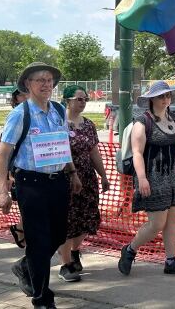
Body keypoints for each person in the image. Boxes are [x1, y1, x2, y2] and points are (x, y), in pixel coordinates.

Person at [0, 62, 83, 309]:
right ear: (28, 85)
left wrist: (72, 173)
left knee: (57, 235)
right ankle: (41, 297)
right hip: (30, 185)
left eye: (49, 80)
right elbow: (2, 155)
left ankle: (26, 266)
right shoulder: (20, 114)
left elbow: (62, 146)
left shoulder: (57, 110)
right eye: (39, 80)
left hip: (58, 184)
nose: (46, 84)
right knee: (38, 242)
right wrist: (3, 191)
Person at [117, 81, 175, 276]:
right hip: (153, 177)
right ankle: (130, 249)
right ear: (151, 99)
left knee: (172, 220)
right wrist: (141, 178)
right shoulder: (142, 122)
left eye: (167, 96)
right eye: (161, 96)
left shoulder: (174, 118)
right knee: (157, 223)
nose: (165, 99)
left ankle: (171, 260)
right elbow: (137, 153)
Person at [56, 85, 110, 282]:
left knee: (87, 219)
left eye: (85, 99)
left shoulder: (88, 124)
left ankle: (75, 251)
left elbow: (94, 152)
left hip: (88, 178)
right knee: (68, 221)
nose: (83, 102)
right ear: (68, 100)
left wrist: (103, 175)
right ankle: (65, 263)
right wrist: (72, 173)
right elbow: (60, 151)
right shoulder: (59, 123)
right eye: (79, 99)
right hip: (66, 178)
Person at [8, 87, 29, 248]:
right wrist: (7, 174)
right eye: (21, 94)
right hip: (18, 167)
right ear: (15, 99)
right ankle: (21, 229)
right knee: (25, 203)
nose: (25, 96)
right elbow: (7, 149)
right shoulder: (16, 116)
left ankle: (22, 228)